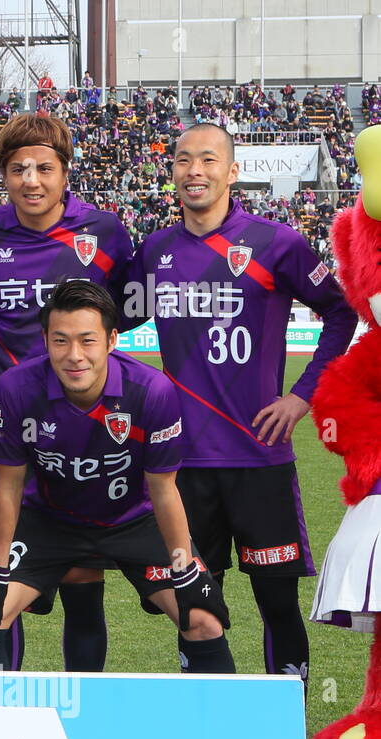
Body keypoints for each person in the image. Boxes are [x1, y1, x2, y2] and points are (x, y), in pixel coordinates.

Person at [122, 122, 356, 683]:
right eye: (182, 160)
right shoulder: (154, 251)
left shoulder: (278, 243)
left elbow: (343, 311)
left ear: (231, 172)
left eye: (207, 160)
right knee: (195, 608)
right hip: (181, 465)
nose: (193, 171)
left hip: (259, 459)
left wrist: (301, 397)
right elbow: (110, 320)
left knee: (277, 605)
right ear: (171, 171)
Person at [0, 280, 233, 673]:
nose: (74, 356)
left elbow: (164, 490)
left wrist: (184, 569)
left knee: (201, 618)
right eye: (60, 341)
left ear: (111, 340)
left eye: (87, 341)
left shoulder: (151, 391)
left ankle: (217, 730)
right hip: (49, 521)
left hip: (133, 520)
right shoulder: (15, 388)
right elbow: (9, 486)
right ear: (45, 340)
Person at [0, 113, 133, 673]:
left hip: (85, 436)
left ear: (65, 172)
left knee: (83, 580)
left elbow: (124, 309)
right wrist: (6, 369)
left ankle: (86, 708)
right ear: (3, 175)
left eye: (43, 167)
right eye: (18, 168)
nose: (31, 179)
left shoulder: (105, 232)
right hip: (0, 432)